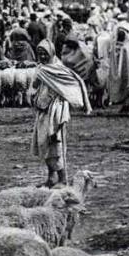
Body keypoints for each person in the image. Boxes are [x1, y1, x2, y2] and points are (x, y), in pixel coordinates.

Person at [31, 40, 92, 187]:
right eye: (40, 54)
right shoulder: (41, 69)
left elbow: (71, 85)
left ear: (52, 53)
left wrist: (65, 114)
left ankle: (63, 178)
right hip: (43, 111)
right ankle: (51, 177)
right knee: (44, 144)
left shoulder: (59, 70)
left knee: (57, 145)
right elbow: (35, 86)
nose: (43, 57)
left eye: (45, 54)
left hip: (56, 111)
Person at [107, 21, 129, 113]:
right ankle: (123, 104)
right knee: (121, 87)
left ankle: (127, 105)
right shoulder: (114, 45)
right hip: (119, 70)